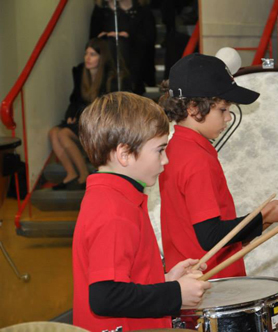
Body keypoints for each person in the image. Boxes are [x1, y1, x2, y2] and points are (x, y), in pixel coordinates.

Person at [73, 92, 211, 332]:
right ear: (124, 154)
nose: (166, 160)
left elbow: (124, 281)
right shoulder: (113, 210)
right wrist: (175, 294)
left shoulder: (117, 197)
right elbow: (105, 296)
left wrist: (164, 280)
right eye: (159, 150)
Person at [158, 54, 278, 280]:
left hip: (192, 279)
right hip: (212, 285)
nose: (228, 118)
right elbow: (210, 236)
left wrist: (265, 219)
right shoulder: (196, 159)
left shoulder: (175, 148)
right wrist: (263, 215)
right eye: (223, 109)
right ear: (194, 108)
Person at [48, 38, 131, 190]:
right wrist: (70, 114)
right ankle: (71, 174)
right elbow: (75, 99)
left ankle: (84, 175)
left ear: (102, 57)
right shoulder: (81, 73)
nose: (87, 58)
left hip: (98, 123)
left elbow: (109, 107)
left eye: (92, 54)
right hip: (82, 120)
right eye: (86, 54)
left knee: (63, 134)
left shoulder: (110, 77)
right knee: (53, 132)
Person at [90, 0, 157, 94]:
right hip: (108, 54)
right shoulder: (101, 11)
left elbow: (149, 38)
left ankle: (126, 86)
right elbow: (93, 39)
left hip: (135, 56)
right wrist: (106, 36)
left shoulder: (142, 10)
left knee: (122, 44)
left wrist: (127, 35)